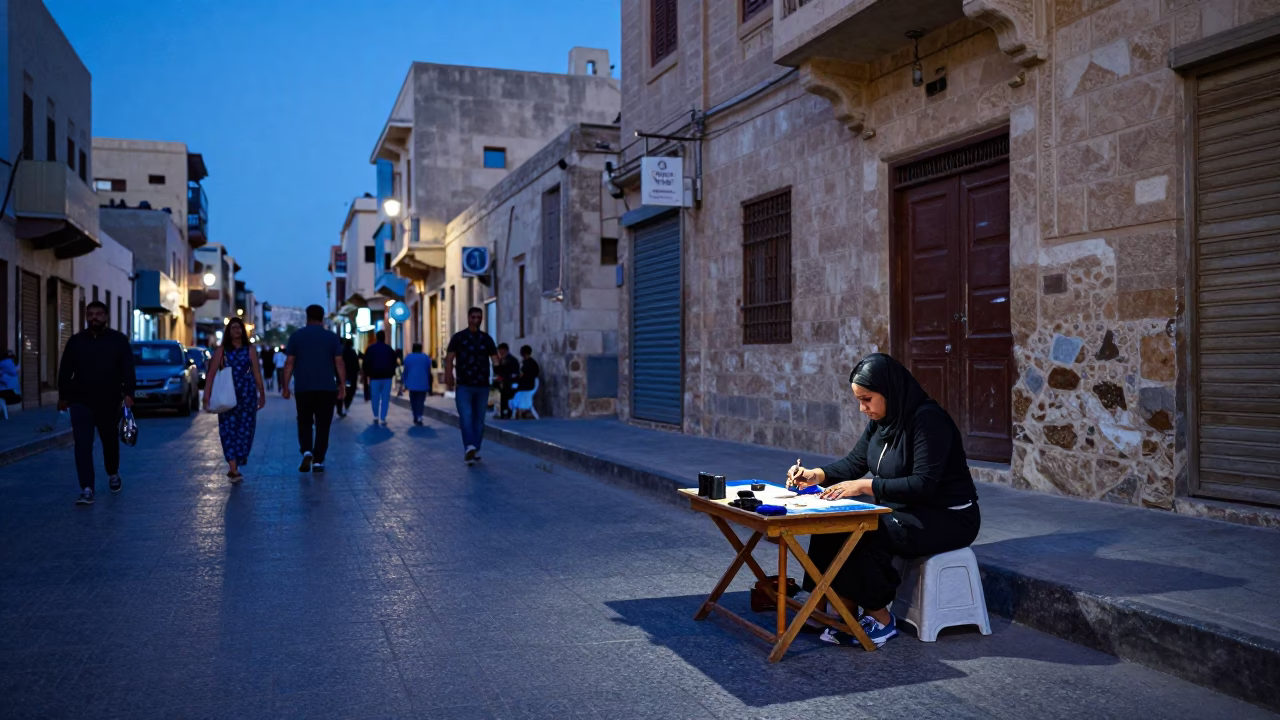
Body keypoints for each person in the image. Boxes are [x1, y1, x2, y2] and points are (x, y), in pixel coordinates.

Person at [786, 353, 981, 648]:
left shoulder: (929, 421)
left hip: (948, 517)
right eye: (859, 401)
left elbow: (923, 485)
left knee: (866, 530)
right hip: (907, 508)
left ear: (889, 391)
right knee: (832, 521)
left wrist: (866, 487)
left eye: (867, 399)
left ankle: (879, 617)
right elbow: (853, 463)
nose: (863, 408)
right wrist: (815, 474)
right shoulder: (882, 421)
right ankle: (829, 606)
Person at [57, 301, 135, 505]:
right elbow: (65, 369)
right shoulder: (75, 341)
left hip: (109, 401)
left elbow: (128, 368)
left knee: (109, 441)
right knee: (82, 445)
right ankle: (86, 488)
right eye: (90, 314)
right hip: (80, 401)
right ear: (85, 316)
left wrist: (129, 393)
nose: (94, 318)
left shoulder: (118, 340)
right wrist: (63, 396)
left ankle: (112, 473)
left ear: (106, 316)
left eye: (98, 314)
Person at [280, 305, 346, 473]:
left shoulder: (296, 336)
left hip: (304, 388)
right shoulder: (332, 337)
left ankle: (307, 450)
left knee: (304, 421)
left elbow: (289, 363)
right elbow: (339, 362)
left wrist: (285, 386)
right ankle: (318, 461)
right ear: (322, 318)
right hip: (326, 388)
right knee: (323, 424)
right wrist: (342, 385)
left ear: (306, 317)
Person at [204, 318, 266, 482]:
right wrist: (206, 395)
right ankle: (233, 466)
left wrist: (262, 393)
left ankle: (236, 463)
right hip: (227, 393)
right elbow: (211, 374)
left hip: (247, 394)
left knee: (246, 430)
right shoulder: (221, 351)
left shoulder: (250, 350)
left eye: (239, 328)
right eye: (233, 328)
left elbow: (256, 372)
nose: (236, 330)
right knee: (227, 429)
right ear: (228, 331)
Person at [444, 306, 499, 465]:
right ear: (468, 318)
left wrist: (500, 372)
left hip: (482, 385)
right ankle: (469, 446)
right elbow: (449, 359)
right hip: (464, 385)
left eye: (479, 317)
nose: (477, 320)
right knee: (466, 417)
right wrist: (448, 379)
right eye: (474, 317)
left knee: (479, 419)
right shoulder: (459, 338)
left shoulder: (487, 339)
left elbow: (495, 360)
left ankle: (475, 448)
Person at [362, 331, 397, 426]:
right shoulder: (389, 349)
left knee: (375, 397)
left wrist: (367, 374)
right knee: (385, 397)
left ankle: (376, 415)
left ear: (376, 337)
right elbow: (394, 362)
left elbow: (366, 362)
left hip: (375, 377)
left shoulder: (371, 349)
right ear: (384, 338)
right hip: (387, 377)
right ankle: (383, 417)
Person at [402, 343, 432, 425]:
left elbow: (405, 371)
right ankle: (419, 416)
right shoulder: (426, 358)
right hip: (423, 383)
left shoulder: (408, 358)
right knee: (421, 401)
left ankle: (415, 415)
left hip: (411, 383)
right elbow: (429, 371)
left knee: (413, 401)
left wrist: (404, 382)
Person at [494, 343, 521, 420]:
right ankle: (500, 412)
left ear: (505, 350)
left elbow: (513, 373)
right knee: (495, 393)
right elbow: (498, 370)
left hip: (510, 383)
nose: (499, 352)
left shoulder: (512, 360)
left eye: (501, 350)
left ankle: (507, 413)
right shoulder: (500, 360)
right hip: (502, 383)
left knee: (506, 396)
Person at [514, 345, 540, 419]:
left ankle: (519, 411)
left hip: (527, 385)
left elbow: (522, 374)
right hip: (529, 383)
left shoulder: (528, 363)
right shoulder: (531, 362)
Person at [338, 338, 360, 418]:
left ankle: (340, 407)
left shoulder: (341, 352)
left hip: (342, 376)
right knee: (350, 391)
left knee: (341, 391)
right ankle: (346, 403)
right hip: (351, 376)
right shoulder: (353, 353)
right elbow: (356, 366)